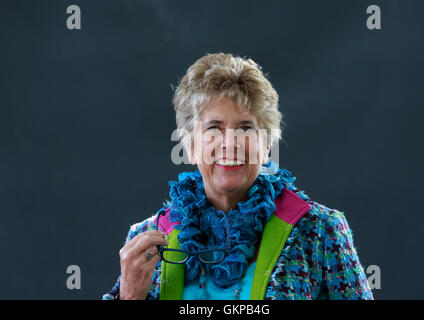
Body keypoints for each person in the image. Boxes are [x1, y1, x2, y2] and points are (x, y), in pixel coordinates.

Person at [102, 53, 373, 300]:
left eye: (245, 127)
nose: (230, 143)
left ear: (266, 145)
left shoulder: (320, 231)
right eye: (214, 128)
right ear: (190, 145)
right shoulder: (147, 240)